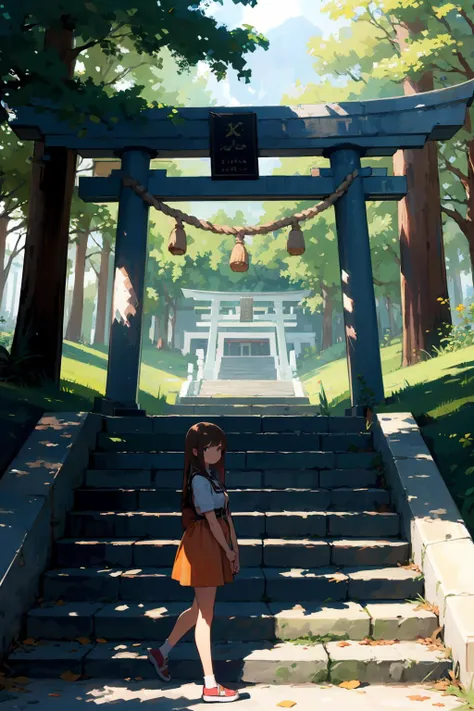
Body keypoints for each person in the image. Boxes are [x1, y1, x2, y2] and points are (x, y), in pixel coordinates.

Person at [148, 421, 241, 703]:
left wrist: (234, 548)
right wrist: (227, 550)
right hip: (204, 546)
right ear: (199, 450)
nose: (219, 450)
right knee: (205, 616)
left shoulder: (211, 477)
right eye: (214, 446)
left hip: (214, 544)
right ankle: (210, 685)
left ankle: (161, 652)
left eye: (220, 446)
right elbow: (212, 520)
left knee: (197, 609)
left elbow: (226, 517)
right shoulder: (199, 480)